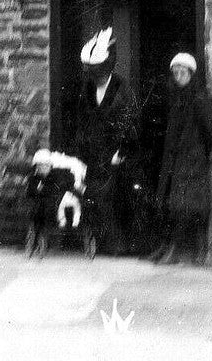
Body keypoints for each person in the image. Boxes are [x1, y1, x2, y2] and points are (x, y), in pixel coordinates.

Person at [70, 27, 138, 256]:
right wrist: (81, 150)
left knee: (116, 198)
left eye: (97, 71)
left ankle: (119, 244)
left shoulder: (122, 89)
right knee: (93, 197)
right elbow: (81, 121)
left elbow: (130, 124)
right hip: (93, 153)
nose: (94, 76)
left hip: (116, 155)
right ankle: (97, 241)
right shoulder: (87, 89)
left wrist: (121, 150)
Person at [151, 53, 212, 265]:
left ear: (191, 74)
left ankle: (182, 251)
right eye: (176, 72)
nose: (179, 76)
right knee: (170, 204)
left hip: (192, 161)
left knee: (187, 207)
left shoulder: (199, 98)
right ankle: (168, 247)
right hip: (174, 159)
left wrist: (198, 150)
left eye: (183, 72)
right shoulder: (176, 98)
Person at [25, 149, 79, 258]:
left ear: (50, 166)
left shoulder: (54, 178)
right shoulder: (34, 179)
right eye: (41, 166)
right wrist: (37, 191)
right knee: (36, 217)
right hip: (39, 207)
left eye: (46, 166)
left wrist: (45, 191)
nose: (44, 168)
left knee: (45, 212)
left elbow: (56, 190)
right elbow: (30, 193)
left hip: (53, 207)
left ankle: (41, 241)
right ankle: (34, 242)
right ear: (36, 167)